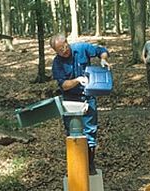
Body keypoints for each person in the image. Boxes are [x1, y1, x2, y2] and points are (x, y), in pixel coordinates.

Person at [50, 33, 110, 175]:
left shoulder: (82, 48)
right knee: (73, 132)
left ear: (67, 42)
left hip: (88, 97)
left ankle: (90, 165)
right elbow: (63, 85)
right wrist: (77, 80)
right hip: (70, 99)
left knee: (90, 131)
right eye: (59, 50)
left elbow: (101, 50)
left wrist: (103, 60)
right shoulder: (57, 63)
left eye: (64, 47)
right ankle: (76, 164)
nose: (63, 51)